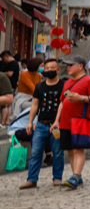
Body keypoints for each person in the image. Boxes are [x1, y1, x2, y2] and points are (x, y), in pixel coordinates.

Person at [20, 57, 66, 189]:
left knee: (57, 152)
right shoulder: (39, 86)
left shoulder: (63, 85)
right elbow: (35, 105)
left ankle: (57, 178)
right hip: (41, 124)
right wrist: (30, 122)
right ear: (43, 70)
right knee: (35, 152)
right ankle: (32, 179)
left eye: (52, 68)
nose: (49, 70)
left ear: (58, 69)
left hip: (57, 125)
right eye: (47, 68)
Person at [57, 55, 90, 191]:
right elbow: (62, 102)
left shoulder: (89, 81)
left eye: (71, 65)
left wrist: (80, 98)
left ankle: (75, 176)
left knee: (78, 150)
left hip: (80, 120)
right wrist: (56, 120)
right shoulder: (67, 82)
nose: (68, 67)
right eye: (67, 65)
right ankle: (77, 175)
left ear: (80, 66)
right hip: (65, 122)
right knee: (70, 151)